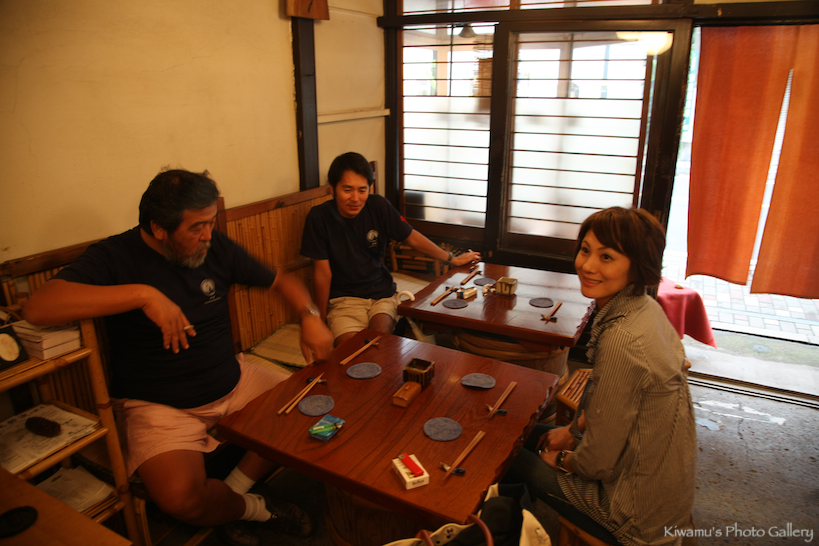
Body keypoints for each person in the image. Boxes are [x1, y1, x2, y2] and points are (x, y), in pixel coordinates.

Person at [22, 169, 334, 545]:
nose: (208, 235)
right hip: (159, 405)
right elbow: (38, 307)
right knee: (180, 499)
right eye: (197, 227)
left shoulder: (214, 246)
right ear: (158, 228)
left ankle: (233, 492)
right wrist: (144, 295)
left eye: (211, 223)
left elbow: (281, 279)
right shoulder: (115, 256)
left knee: (315, 412)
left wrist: (309, 316)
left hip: (233, 379)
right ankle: (255, 508)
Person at [503, 207, 696, 546]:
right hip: (659, 481)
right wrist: (572, 430)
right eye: (585, 250)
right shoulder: (646, 307)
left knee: (503, 456)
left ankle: (505, 530)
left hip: (632, 513)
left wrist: (563, 458)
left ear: (637, 264)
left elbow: (597, 464)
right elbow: (615, 407)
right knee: (518, 432)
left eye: (606, 257)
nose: (588, 266)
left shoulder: (624, 339)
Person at [300, 152, 481, 346]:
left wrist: (452, 259)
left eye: (362, 190)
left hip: (381, 294)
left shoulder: (378, 205)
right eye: (347, 190)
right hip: (343, 302)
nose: (355, 198)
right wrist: (319, 320)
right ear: (332, 188)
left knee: (380, 341)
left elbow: (412, 237)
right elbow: (322, 274)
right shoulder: (319, 218)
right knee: (351, 351)